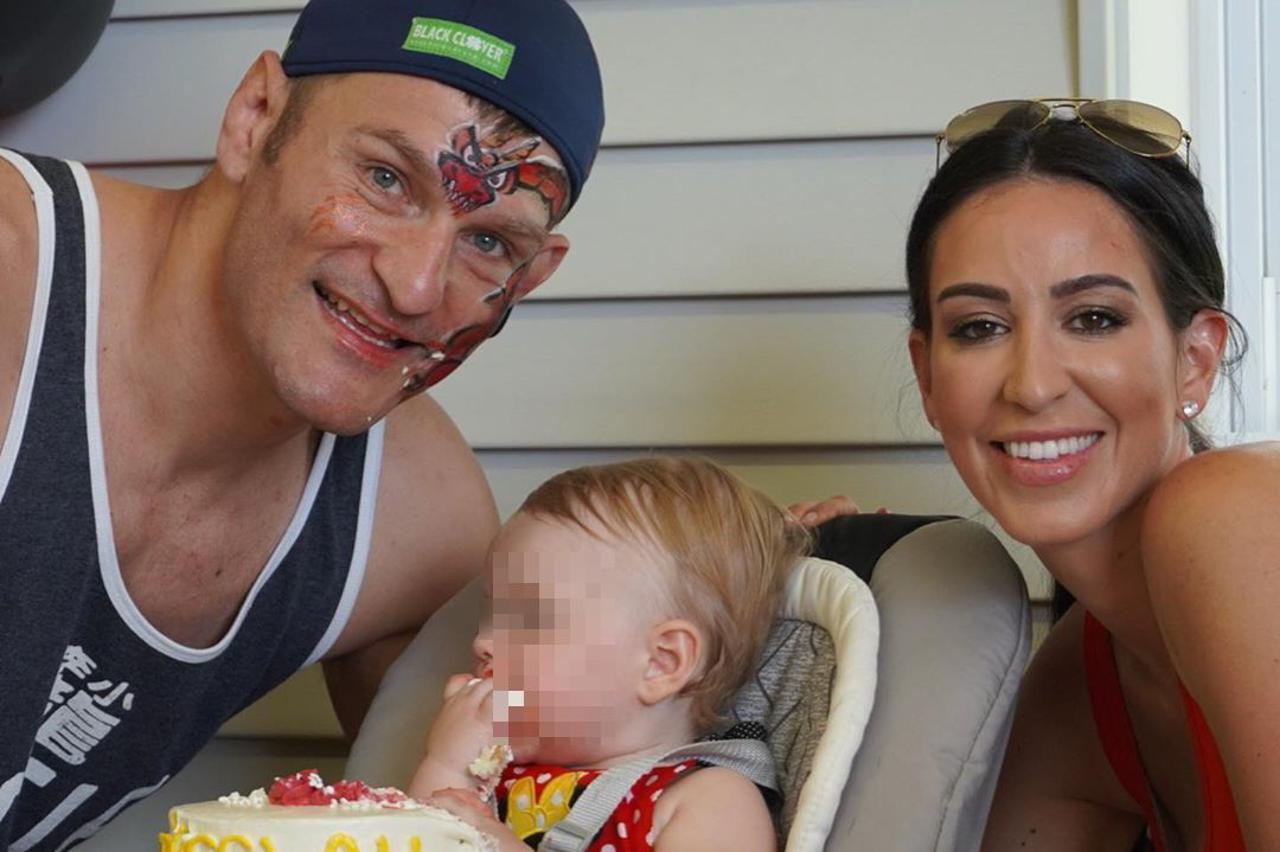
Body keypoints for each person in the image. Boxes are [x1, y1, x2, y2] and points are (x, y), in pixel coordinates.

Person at [0, 0, 603, 847]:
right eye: (385, 179)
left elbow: (488, 818)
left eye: (490, 243)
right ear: (255, 119)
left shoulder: (414, 522)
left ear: (531, 278)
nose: (416, 287)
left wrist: (754, 591)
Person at [902, 100, 1278, 849]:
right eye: (980, 327)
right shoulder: (1079, 686)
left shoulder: (1235, 512)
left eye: (1094, 318)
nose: (1033, 385)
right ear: (929, 378)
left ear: (1195, 359)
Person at [405, 457, 811, 851]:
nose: (483, 643)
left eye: (532, 619)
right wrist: (448, 765)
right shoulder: (492, 774)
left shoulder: (710, 801)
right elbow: (404, 842)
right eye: (492, 616)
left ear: (660, 664)